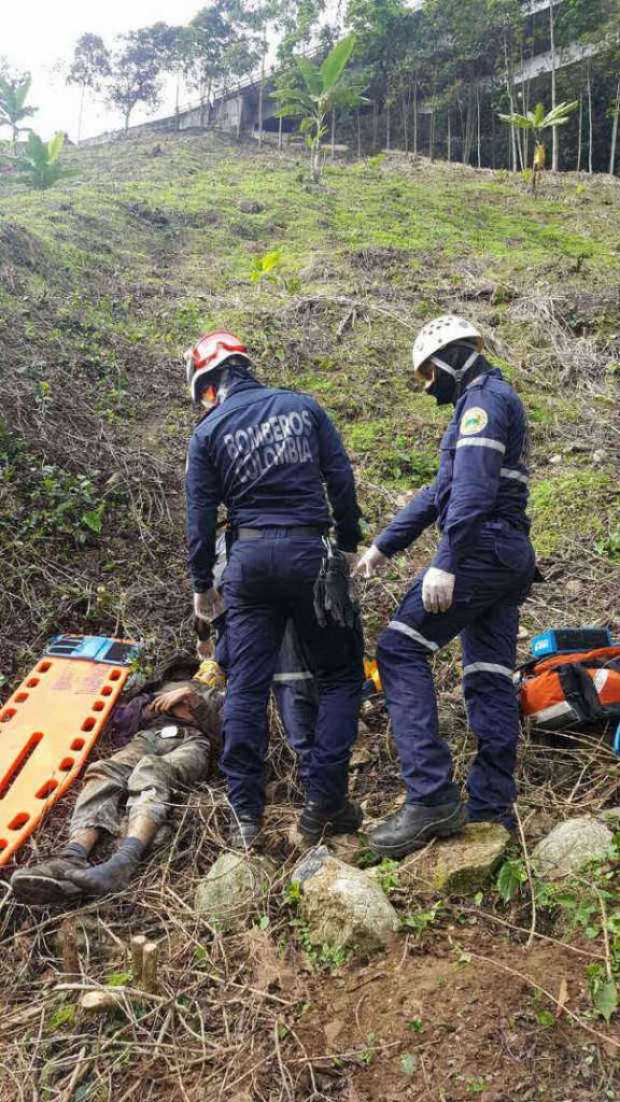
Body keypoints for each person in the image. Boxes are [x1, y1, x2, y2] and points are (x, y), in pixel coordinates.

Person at [356, 315, 536, 857]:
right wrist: (384, 545)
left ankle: (431, 796)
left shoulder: (482, 403)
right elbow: (441, 490)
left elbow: (473, 492)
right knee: (486, 675)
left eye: (429, 376)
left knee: (398, 649)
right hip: (508, 558)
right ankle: (490, 808)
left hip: (481, 549)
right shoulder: (486, 401)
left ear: (450, 360)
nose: (429, 389)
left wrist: (447, 559)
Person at [185, 329, 364, 848]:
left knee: (245, 685)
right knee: (339, 676)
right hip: (311, 554)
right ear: (243, 366)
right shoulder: (302, 408)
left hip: (247, 563)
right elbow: (340, 479)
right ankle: (325, 798)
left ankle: (246, 816)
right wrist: (349, 539)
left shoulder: (208, 433)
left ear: (210, 386)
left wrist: (202, 585)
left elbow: (199, 518)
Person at [11, 676, 222, 905]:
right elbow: (123, 720)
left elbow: (227, 736)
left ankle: (124, 861)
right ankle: (73, 855)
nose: (205, 672)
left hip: (193, 742)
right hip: (148, 736)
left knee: (151, 771)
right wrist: (149, 710)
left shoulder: (220, 696)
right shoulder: (158, 686)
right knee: (104, 770)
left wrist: (193, 701)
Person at [210, 533, 319, 789]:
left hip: (260, 635)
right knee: (296, 715)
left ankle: (246, 803)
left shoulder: (231, 534)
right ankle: (320, 795)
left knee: (253, 708)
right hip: (282, 632)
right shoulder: (292, 524)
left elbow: (217, 593)